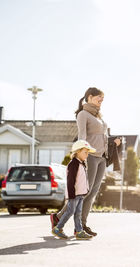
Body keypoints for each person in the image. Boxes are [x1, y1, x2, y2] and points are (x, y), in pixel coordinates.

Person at [51, 87, 121, 236]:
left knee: (92, 192)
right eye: (99, 98)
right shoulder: (83, 114)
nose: (101, 101)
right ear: (90, 97)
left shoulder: (99, 116)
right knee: (83, 192)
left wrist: (113, 142)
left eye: (102, 99)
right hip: (90, 156)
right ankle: (61, 219)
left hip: (102, 157)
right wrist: (81, 157)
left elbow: (100, 136)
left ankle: (82, 224)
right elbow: (82, 136)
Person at [52, 140, 95, 240]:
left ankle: (79, 231)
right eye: (85, 152)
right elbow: (70, 181)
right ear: (78, 152)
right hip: (74, 194)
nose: (87, 155)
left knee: (78, 213)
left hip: (80, 194)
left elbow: (82, 180)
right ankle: (58, 228)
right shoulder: (74, 164)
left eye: (88, 153)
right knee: (70, 211)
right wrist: (71, 195)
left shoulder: (81, 163)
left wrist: (86, 191)